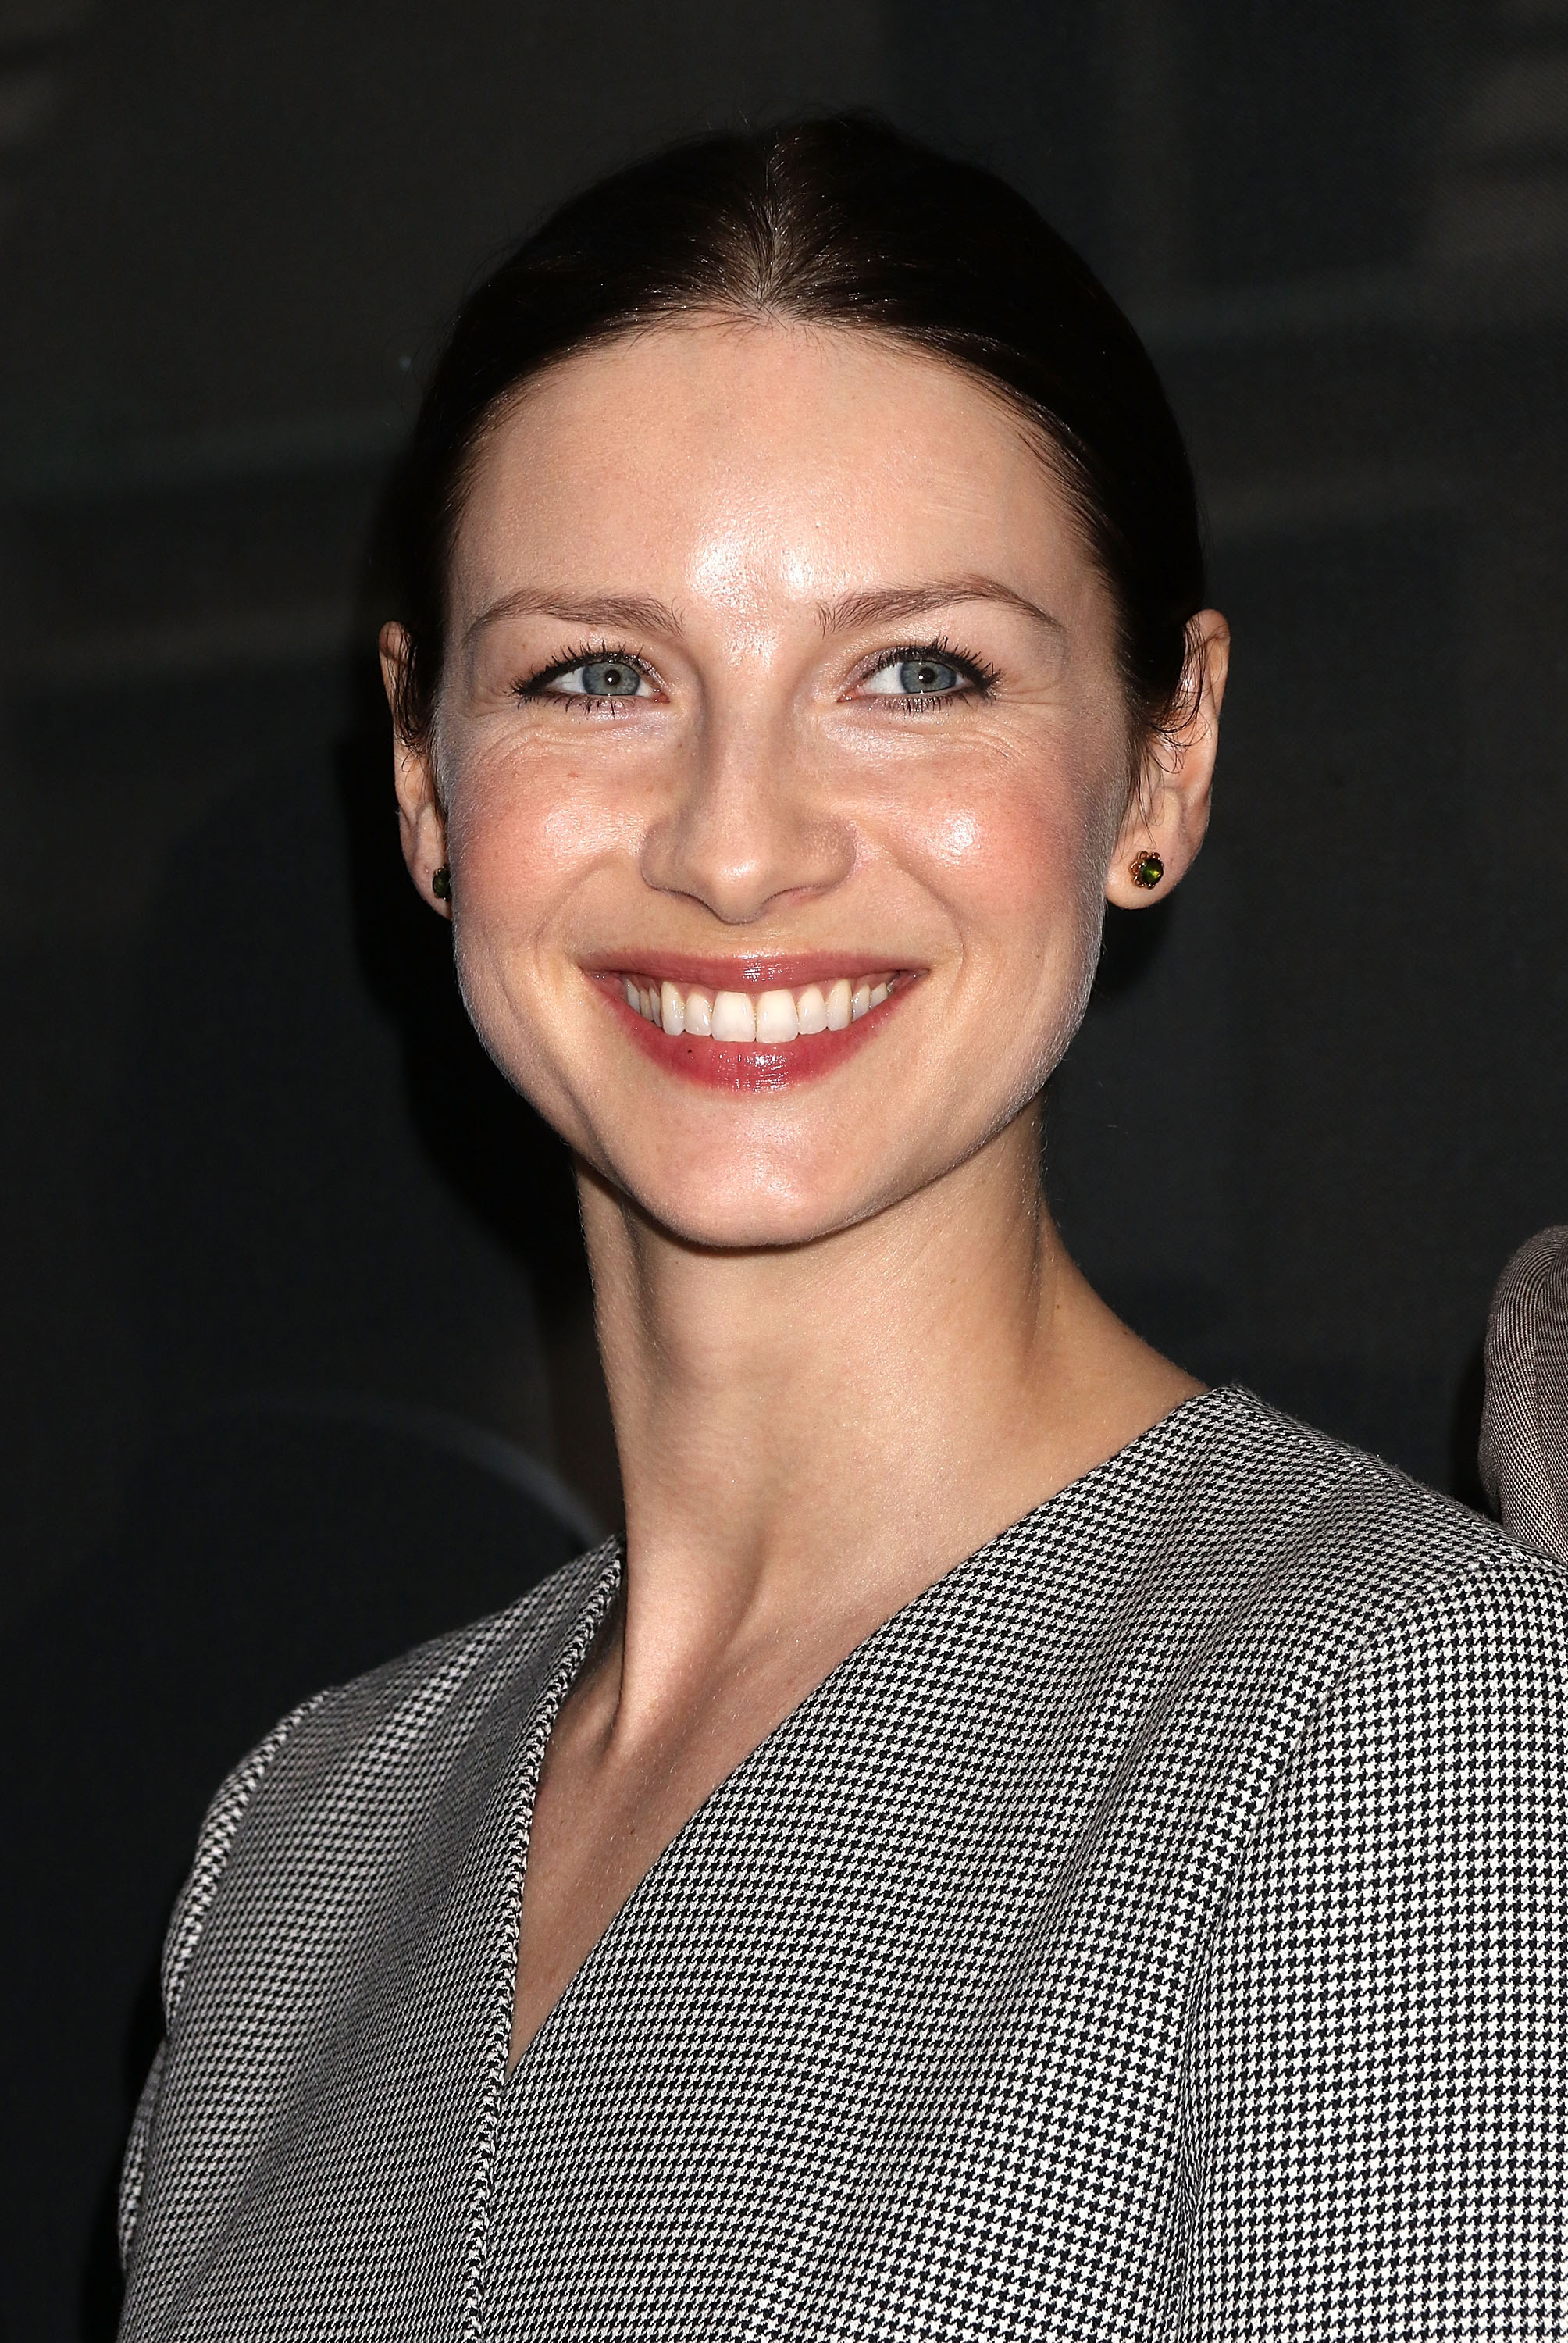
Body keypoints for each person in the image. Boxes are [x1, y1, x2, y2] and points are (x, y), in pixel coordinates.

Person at [115, 120, 1565, 2341]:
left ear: (1163, 763)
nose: (738, 844)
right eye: (596, 675)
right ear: (422, 781)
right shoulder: (302, 1845)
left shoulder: (1396, 1717)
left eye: (919, 674)